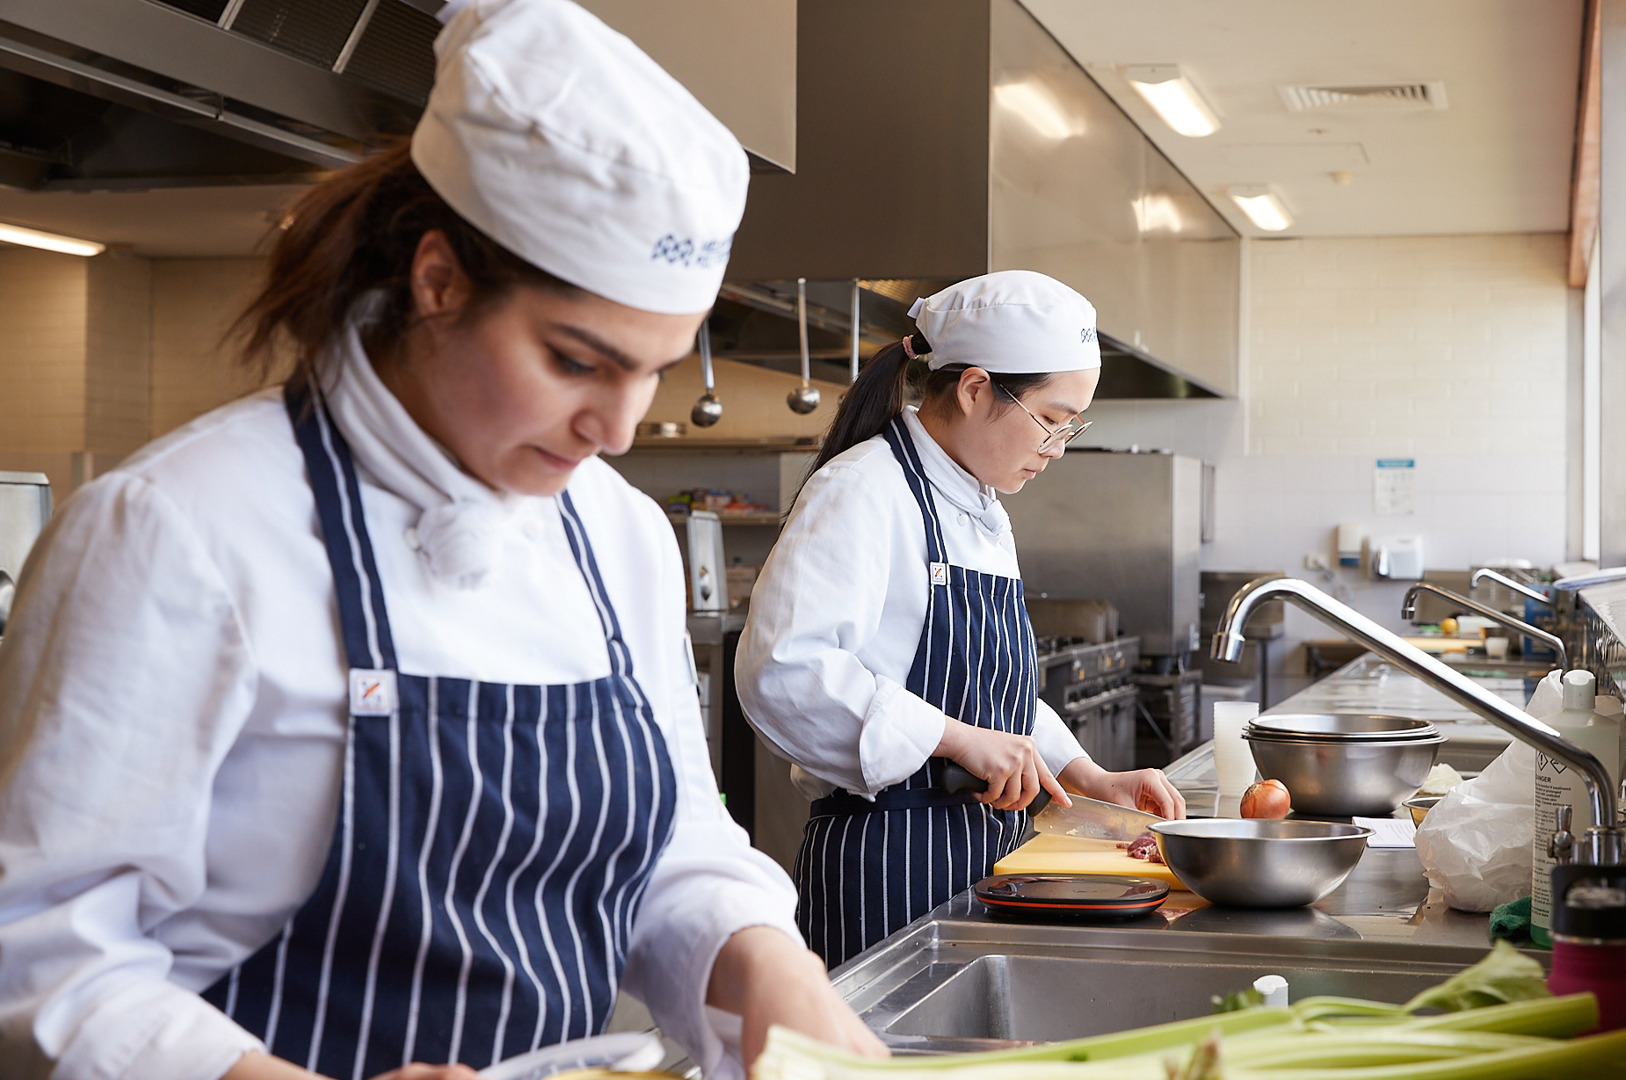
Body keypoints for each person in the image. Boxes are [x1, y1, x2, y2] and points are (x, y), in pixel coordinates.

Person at [0, 1, 883, 1077]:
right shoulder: (177, 531)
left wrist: (769, 968)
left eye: (653, 369)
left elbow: (672, 845)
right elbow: (42, 957)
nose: (616, 428)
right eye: (576, 360)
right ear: (437, 281)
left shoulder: (618, 537)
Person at [735, 271, 1186, 968]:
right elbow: (784, 673)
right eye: (1050, 419)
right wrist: (949, 738)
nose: (1058, 447)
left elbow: (989, 692)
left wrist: (1087, 775)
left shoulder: (981, 511)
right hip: (885, 867)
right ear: (976, 389)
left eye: (1074, 426)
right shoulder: (863, 491)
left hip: (985, 854)